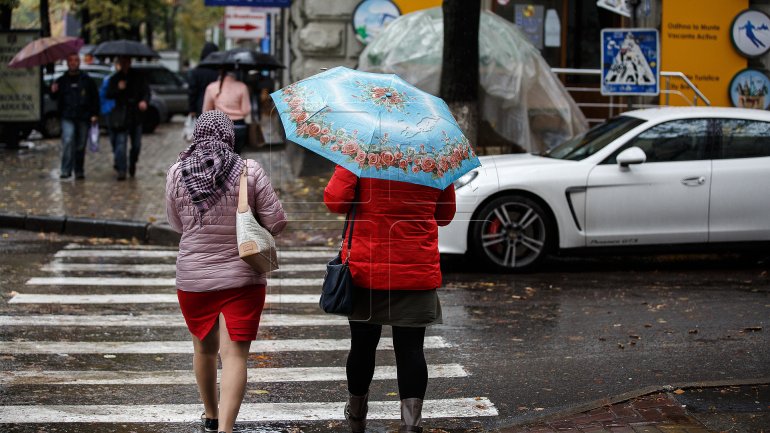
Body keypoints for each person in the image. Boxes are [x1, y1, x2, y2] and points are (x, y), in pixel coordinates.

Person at [165, 110, 286, 433]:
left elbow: (175, 222)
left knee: (203, 349)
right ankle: (226, 429)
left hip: (193, 279)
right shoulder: (250, 170)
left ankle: (210, 414)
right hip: (242, 278)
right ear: (230, 137)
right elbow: (277, 222)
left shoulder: (177, 172)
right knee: (234, 357)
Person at [324, 166, 456, 433]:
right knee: (411, 350)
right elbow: (445, 216)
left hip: (366, 272)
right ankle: (411, 425)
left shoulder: (361, 153)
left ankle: (357, 415)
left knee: (362, 346)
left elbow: (335, 201)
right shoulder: (433, 156)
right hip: (415, 270)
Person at [50, 52, 99, 179]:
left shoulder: (87, 80)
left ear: (79, 62)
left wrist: (94, 114)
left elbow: (94, 97)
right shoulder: (61, 80)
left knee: (81, 144)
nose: (73, 63)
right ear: (67, 62)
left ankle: (79, 169)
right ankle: (65, 169)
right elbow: (55, 97)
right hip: (67, 116)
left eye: (76, 60)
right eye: (71, 60)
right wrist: (53, 91)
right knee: (68, 140)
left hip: (83, 116)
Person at [106, 55, 151, 180]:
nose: (125, 63)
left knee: (136, 145)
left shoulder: (139, 77)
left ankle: (132, 163)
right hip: (121, 116)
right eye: (122, 61)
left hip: (136, 115)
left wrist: (144, 101)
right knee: (120, 145)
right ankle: (122, 169)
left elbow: (146, 92)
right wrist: (118, 89)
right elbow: (109, 94)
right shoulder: (115, 78)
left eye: (127, 61)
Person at [202, 69, 251, 153]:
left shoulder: (211, 87)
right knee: (236, 157)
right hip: (238, 127)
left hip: (219, 127)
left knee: (221, 158)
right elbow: (246, 110)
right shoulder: (242, 86)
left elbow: (206, 111)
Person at [188, 42, 220, 118]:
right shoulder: (219, 72)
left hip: (200, 106)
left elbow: (192, 91)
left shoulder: (196, 72)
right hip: (217, 105)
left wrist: (192, 109)